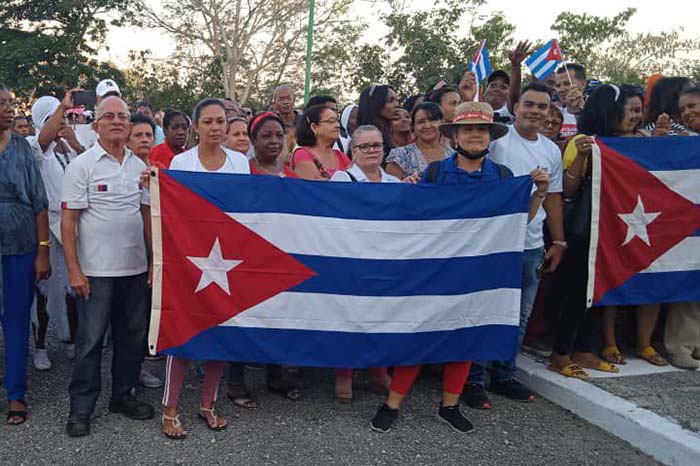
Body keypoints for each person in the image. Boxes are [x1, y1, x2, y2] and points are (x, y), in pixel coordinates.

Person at [370, 102, 549, 433]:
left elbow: (518, 223)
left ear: (489, 136)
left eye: (481, 129)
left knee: (466, 338)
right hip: (435, 273)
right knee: (419, 337)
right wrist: (409, 191)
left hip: (478, 275)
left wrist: (538, 194)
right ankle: (392, 403)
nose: (476, 135)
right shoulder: (436, 173)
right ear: (455, 136)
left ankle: (449, 405)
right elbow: (414, 221)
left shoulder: (504, 178)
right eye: (468, 129)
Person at [463, 83, 565, 409]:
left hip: (531, 243)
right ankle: (474, 379)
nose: (536, 111)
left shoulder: (551, 150)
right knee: (486, 312)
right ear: (516, 106)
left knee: (519, 316)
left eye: (543, 107)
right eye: (530, 104)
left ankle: (505, 374)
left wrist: (559, 239)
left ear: (549, 112)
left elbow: (553, 198)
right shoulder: (497, 141)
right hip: (492, 244)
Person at [61, 96, 153, 437]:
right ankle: (81, 408)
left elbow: (146, 216)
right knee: (90, 342)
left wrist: (154, 260)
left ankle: (123, 395)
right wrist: (74, 269)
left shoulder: (139, 168)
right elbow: (68, 222)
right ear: (95, 124)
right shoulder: (81, 165)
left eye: (123, 116)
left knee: (132, 337)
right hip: (96, 272)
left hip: (134, 269)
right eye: (108, 116)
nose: (116, 121)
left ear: (129, 124)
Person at [162, 98, 250, 440]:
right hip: (189, 260)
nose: (215, 127)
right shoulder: (181, 161)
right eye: (208, 122)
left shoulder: (240, 163)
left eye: (220, 121)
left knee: (220, 332)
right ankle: (170, 408)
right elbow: (171, 209)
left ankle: (207, 403)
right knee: (182, 333)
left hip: (227, 259)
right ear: (195, 127)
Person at [0, 84, 51, 425]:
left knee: (17, 320)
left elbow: (39, 202)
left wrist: (43, 251)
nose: (8, 108)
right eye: (1, 103)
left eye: (9, 102)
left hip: (20, 246)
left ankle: (16, 394)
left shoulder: (24, 148)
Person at [27, 94, 81, 372]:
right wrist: (62, 107)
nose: (62, 123)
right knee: (44, 289)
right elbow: (43, 141)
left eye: (64, 117)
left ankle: (70, 338)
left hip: (70, 229)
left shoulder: (67, 150)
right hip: (44, 230)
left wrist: (74, 143)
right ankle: (40, 346)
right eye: (55, 118)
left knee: (71, 287)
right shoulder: (32, 148)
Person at [126, 112, 164, 389]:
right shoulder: (125, 170)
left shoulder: (156, 169)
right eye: (138, 135)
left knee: (141, 315)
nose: (144, 140)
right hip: (128, 252)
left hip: (150, 254)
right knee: (128, 318)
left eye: (148, 135)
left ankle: (135, 368)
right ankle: (125, 374)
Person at [385, 102, 453, 179]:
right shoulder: (400, 156)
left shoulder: (454, 155)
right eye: (421, 122)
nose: (427, 126)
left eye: (432, 120)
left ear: (441, 123)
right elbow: (391, 188)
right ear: (413, 126)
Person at [291, 105, 351, 179]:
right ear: (314, 127)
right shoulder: (303, 154)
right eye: (331, 121)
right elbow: (315, 187)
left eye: (337, 121)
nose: (337, 125)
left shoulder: (340, 156)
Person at [331, 125, 401, 183]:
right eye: (364, 147)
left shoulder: (394, 182)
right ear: (353, 151)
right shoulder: (342, 179)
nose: (371, 150)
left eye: (377, 145)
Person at [356, 84, 400, 160]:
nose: (397, 105)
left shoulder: (389, 133)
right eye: (390, 100)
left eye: (397, 100)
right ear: (375, 103)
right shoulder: (366, 137)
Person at [555, 63, 587, 138]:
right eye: (558, 86)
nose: (561, 89)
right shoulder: (551, 114)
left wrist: (579, 112)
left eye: (567, 84)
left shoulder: (598, 112)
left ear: (583, 84)